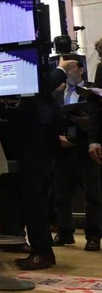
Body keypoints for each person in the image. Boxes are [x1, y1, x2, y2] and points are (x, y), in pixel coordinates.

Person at [0, 62, 70, 270]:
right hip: (30, 146)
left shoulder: (32, 75)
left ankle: (42, 252)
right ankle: (39, 249)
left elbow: (31, 107)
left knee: (34, 199)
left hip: (35, 146)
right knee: (28, 200)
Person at [52, 56, 100, 251]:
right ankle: (64, 233)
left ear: (81, 70)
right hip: (62, 150)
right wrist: (56, 137)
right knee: (61, 195)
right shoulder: (56, 94)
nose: (68, 71)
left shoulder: (93, 93)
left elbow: (97, 120)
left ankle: (94, 236)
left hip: (85, 149)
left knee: (94, 195)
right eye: (64, 67)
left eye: (71, 67)